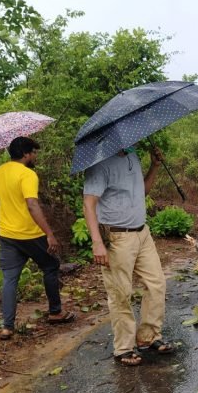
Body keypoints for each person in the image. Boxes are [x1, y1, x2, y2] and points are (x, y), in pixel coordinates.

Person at [83, 145, 174, 366]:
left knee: (156, 284)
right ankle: (123, 348)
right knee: (121, 292)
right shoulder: (99, 164)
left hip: (142, 233)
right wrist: (97, 242)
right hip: (117, 237)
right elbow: (89, 203)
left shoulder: (132, 156)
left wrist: (154, 166)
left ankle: (148, 337)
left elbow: (141, 192)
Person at [0, 136, 74, 340]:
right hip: (29, 233)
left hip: (7, 234)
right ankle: (55, 312)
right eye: (34, 152)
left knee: (9, 279)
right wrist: (50, 234)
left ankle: (7, 327)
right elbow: (32, 205)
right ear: (26, 154)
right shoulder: (27, 174)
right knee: (51, 265)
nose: (35, 156)